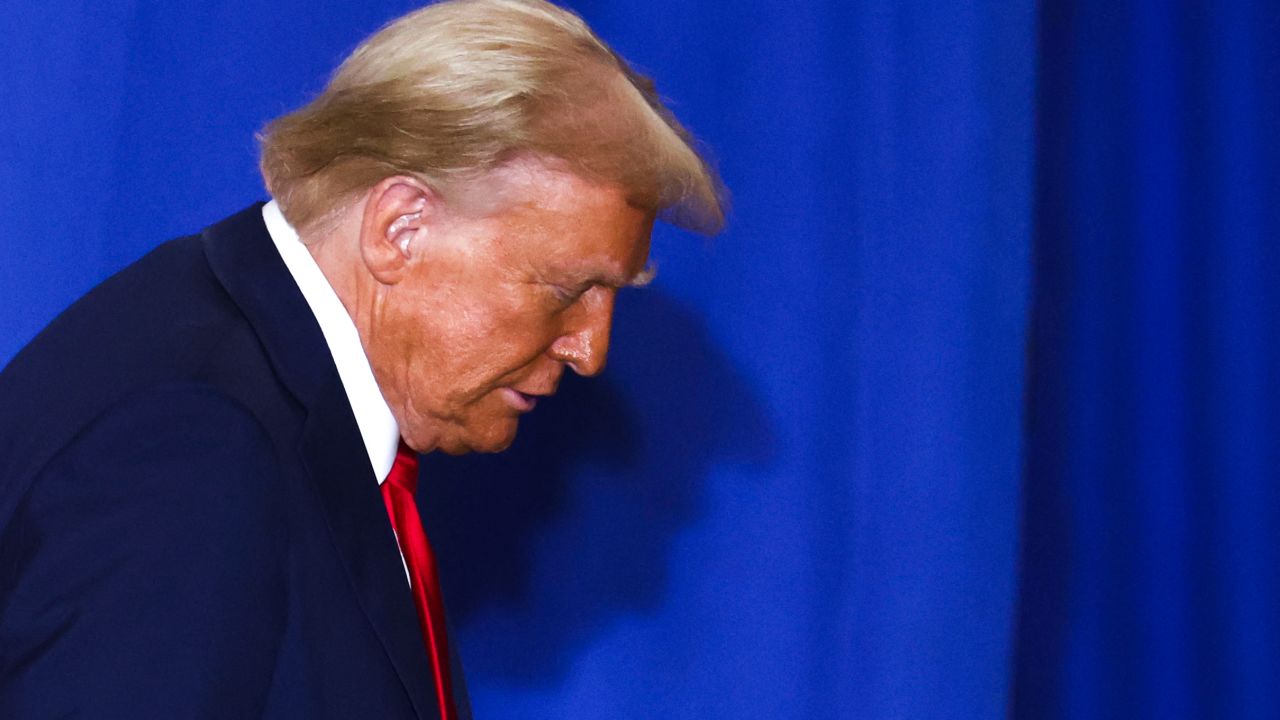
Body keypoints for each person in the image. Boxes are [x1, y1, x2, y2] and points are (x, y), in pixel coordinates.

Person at [0, 0, 724, 717]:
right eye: (569, 289)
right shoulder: (194, 443)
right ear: (400, 228)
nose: (590, 349)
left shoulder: (252, 382)